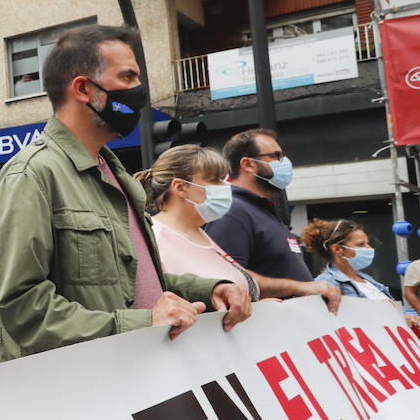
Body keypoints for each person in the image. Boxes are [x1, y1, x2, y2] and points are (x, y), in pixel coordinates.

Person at [0, 24, 251, 362]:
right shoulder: (31, 175)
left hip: (133, 379)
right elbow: (21, 307)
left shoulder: (116, 176)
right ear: (84, 88)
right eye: (127, 78)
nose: (139, 90)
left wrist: (211, 289)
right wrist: (141, 323)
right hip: (79, 394)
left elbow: (134, 281)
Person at [206, 129, 341, 313]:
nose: (284, 163)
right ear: (248, 164)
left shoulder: (265, 211)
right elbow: (227, 278)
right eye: (276, 156)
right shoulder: (233, 210)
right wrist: (300, 287)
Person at [137, 145, 259, 301]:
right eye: (215, 180)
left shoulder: (199, 234)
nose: (226, 186)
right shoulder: (155, 239)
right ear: (180, 188)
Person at [303, 219, 400, 304]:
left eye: (368, 243)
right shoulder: (327, 284)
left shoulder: (367, 279)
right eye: (361, 244)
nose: (369, 248)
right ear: (337, 249)